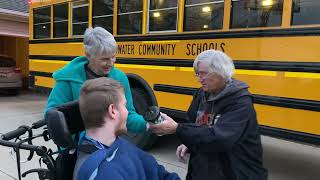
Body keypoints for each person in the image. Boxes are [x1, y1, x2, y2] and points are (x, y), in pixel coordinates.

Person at [150, 50, 268, 180]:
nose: (199, 79)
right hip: (204, 169)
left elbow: (221, 139)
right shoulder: (202, 94)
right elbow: (192, 123)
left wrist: (178, 128)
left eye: (203, 74)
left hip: (235, 171)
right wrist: (189, 143)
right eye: (197, 74)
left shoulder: (240, 101)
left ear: (220, 72)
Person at [73, 77, 180, 180]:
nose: (127, 112)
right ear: (113, 111)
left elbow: (159, 174)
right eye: (125, 106)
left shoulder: (118, 144)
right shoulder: (102, 173)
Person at [45, 27, 147, 133]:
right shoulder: (68, 78)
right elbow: (52, 116)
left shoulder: (120, 78)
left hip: (108, 144)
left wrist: (149, 124)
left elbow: (128, 117)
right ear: (88, 54)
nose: (111, 63)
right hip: (77, 146)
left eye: (113, 57)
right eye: (105, 59)